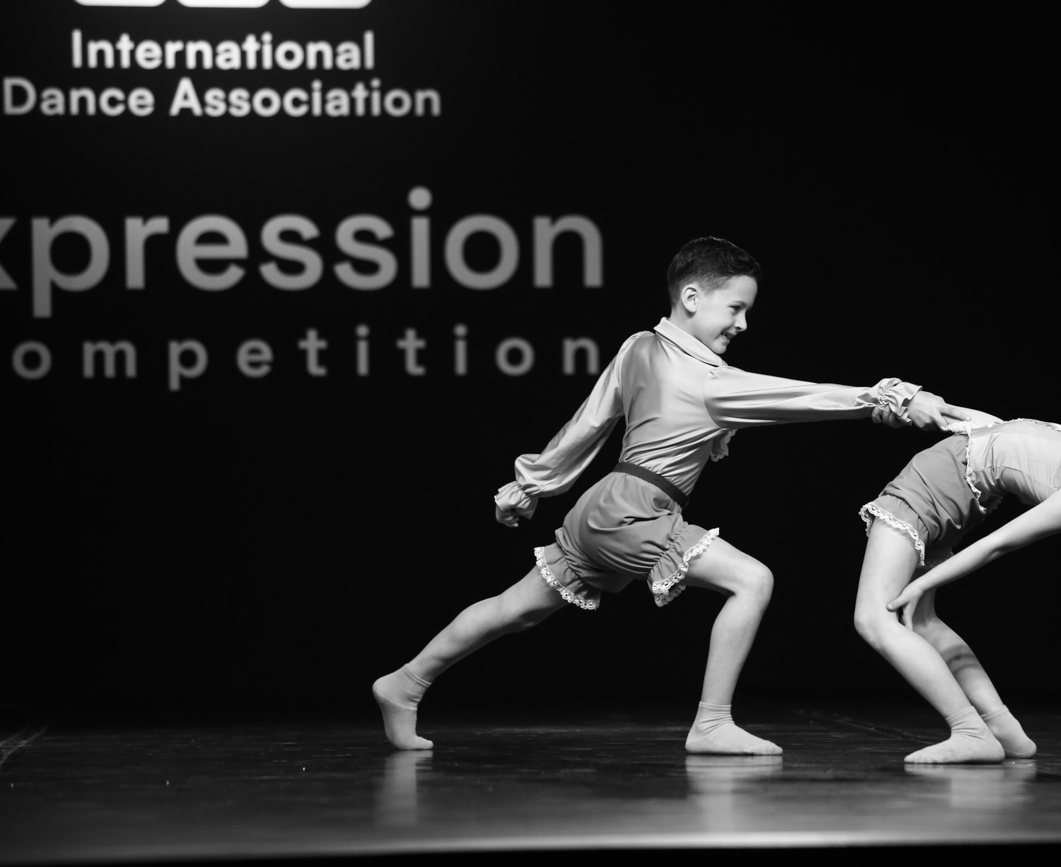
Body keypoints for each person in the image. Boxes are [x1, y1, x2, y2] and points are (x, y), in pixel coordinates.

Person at [373, 237, 959, 753]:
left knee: (515, 609)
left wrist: (532, 484)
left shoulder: (638, 346)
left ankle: (404, 683)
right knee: (752, 580)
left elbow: (586, 425)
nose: (743, 325)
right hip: (632, 511)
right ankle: (712, 722)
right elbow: (805, 397)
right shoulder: (709, 381)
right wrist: (892, 398)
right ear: (692, 297)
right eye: (736, 308)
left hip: (602, 505)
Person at [853, 409, 1061, 764]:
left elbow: (998, 544)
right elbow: (1005, 432)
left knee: (873, 619)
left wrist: (924, 582)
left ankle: (970, 731)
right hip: (949, 484)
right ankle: (1003, 727)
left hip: (935, 485)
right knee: (922, 622)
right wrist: (938, 411)